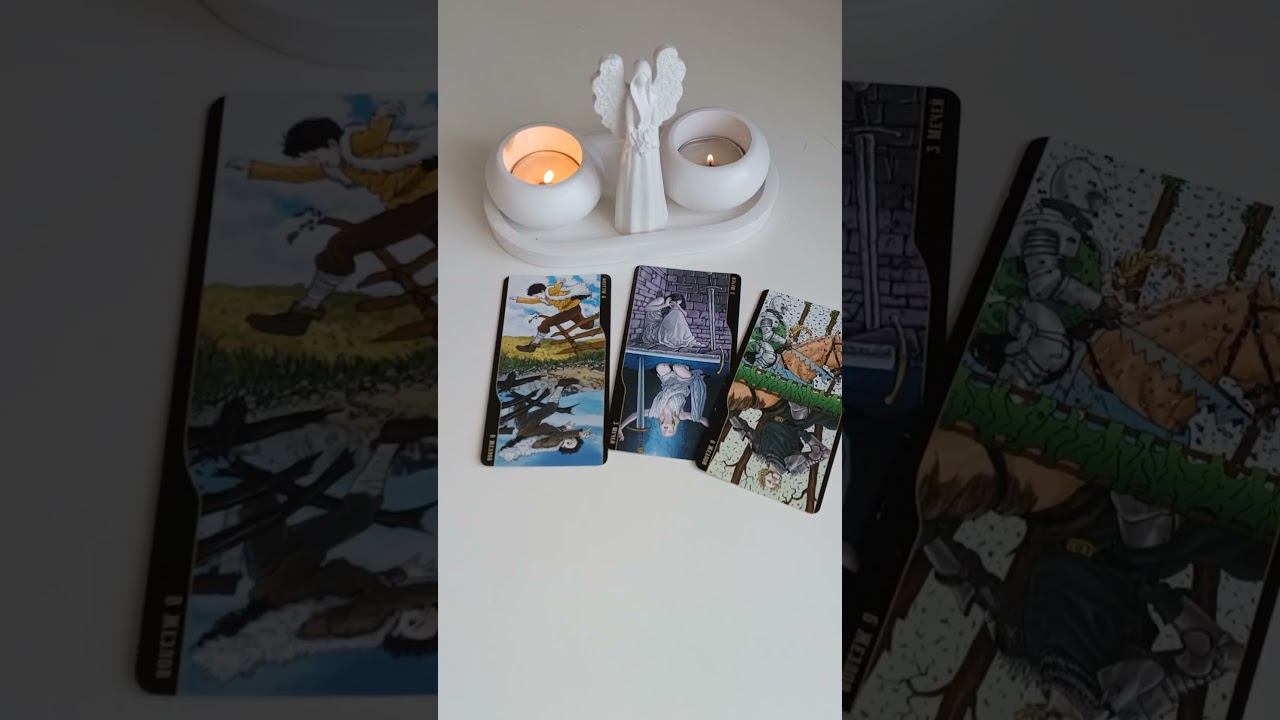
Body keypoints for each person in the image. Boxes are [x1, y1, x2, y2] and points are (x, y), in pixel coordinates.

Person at [191, 438, 437, 681]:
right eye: (429, 610)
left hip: (276, 567)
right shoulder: (374, 616)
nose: (419, 610)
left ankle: (216, 465)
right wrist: (401, 573)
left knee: (255, 495)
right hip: (300, 561)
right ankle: (386, 445)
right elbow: (361, 591)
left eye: (415, 623)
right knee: (357, 516)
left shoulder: (370, 623)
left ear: (398, 635)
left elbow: (379, 599)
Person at [226, 100, 437, 337]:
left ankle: (302, 315)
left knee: (342, 245)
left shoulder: (353, 145)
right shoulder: (337, 166)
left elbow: (375, 137)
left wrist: (382, 115)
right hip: (422, 202)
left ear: (331, 144)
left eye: (315, 156)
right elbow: (296, 174)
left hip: (428, 197)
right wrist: (252, 167)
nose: (316, 163)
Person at [973, 157, 1120, 386]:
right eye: (1093, 199)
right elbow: (1043, 284)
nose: (1096, 208)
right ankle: (1011, 385)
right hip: (1014, 309)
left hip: (1058, 317)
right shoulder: (1044, 225)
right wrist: (1097, 302)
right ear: (1075, 192)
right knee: (1052, 344)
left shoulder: (1087, 244)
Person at [616, 362, 707, 441]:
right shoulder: (680, 415)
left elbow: (635, 415)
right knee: (677, 366)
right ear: (674, 427)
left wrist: (620, 428)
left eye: (664, 431)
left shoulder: (655, 413)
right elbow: (702, 420)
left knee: (660, 366)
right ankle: (683, 370)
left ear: (661, 427)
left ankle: (676, 370)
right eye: (670, 431)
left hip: (667, 381)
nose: (666, 430)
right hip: (682, 382)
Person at [511, 280, 594, 352]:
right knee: (585, 325)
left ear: (542, 291)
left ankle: (533, 346)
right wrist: (517, 299)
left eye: (536, 295)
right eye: (535, 296)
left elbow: (556, 288)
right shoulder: (545, 298)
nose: (536, 297)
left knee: (546, 323)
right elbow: (532, 301)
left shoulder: (549, 291)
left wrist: (560, 283)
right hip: (573, 309)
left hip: (571, 309)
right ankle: (596, 319)